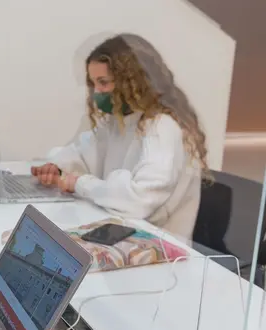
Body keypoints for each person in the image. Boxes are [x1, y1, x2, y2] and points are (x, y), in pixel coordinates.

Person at [32, 33, 207, 240]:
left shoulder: (163, 127)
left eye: (103, 82)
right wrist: (57, 167)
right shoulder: (120, 120)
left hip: (162, 252)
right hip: (123, 234)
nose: (97, 92)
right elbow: (81, 153)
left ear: (133, 81)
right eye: (94, 83)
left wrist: (79, 183)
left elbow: (139, 199)